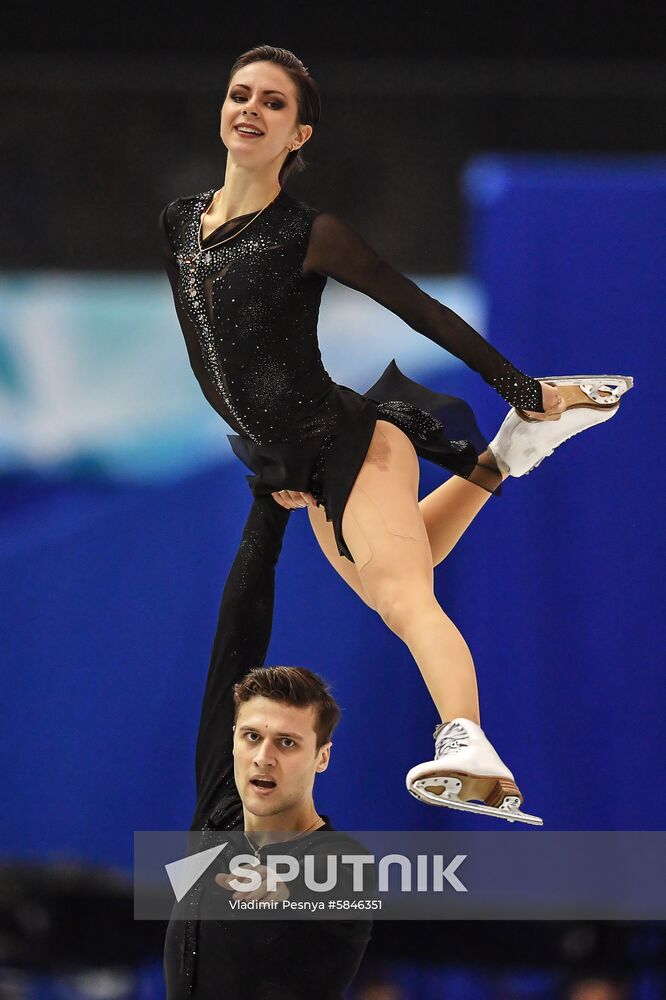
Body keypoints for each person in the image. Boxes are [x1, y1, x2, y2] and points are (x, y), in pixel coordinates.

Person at [159, 45, 632, 824]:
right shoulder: (179, 221)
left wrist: (519, 386)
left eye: (273, 103)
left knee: (407, 598)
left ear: (299, 135)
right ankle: (503, 458)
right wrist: (271, 456)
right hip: (302, 465)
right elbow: (217, 356)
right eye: (240, 94)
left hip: (351, 440)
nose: (249, 108)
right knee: (396, 575)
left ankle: (469, 746)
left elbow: (419, 308)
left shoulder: (311, 233)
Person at [163, 495, 372, 999]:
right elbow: (237, 634)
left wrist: (285, 887)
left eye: (288, 743)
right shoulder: (221, 806)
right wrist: (269, 505)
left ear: (322, 756)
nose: (263, 756)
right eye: (252, 736)